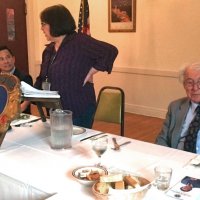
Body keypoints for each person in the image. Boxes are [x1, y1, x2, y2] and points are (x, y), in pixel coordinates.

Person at [34, 4, 118, 128]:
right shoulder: (49, 50)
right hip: (56, 109)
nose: (41, 28)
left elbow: (110, 51)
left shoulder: (79, 42)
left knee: (76, 145)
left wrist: (91, 72)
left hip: (78, 108)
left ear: (55, 23)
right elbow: (42, 78)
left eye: (43, 23)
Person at [155, 63, 200, 154]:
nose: (195, 88)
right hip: (176, 159)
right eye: (190, 82)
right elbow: (161, 139)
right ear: (184, 85)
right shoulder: (175, 107)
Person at [0, 45, 33, 114]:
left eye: (8, 57)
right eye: (1, 59)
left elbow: (25, 103)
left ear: (13, 59)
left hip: (20, 118)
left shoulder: (25, 78)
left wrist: (10, 115)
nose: (6, 61)